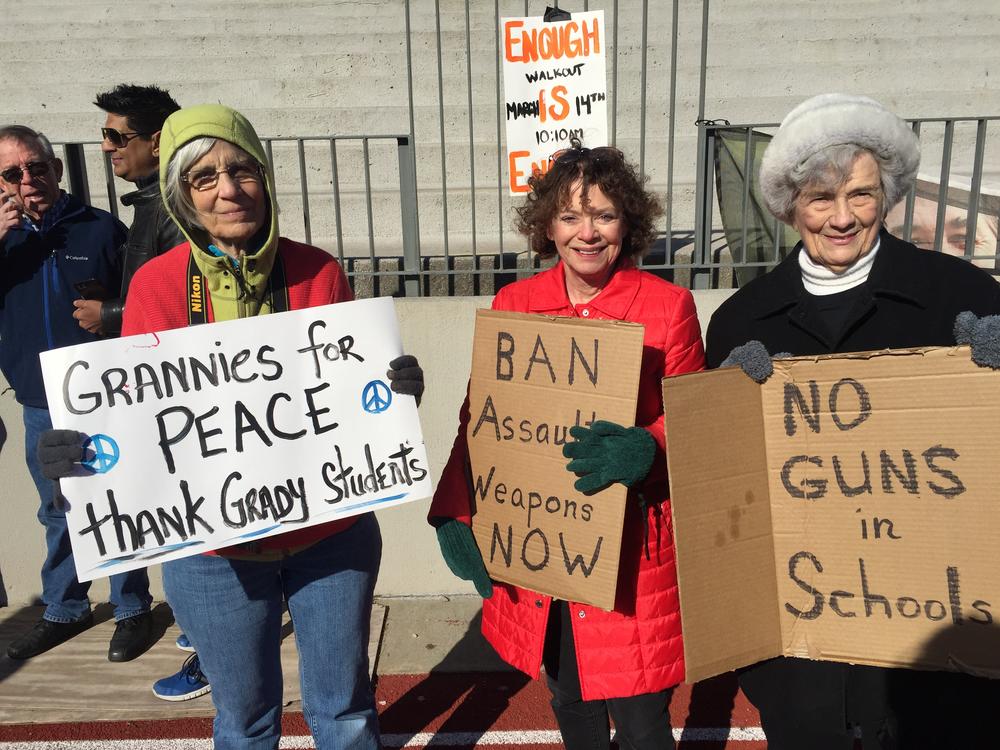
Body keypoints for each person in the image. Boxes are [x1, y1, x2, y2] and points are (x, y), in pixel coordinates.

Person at [46, 103, 422, 749]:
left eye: (241, 169)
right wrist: (80, 449)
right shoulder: (156, 286)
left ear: (264, 177)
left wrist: (392, 389)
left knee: (347, 716)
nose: (228, 189)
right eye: (204, 178)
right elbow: (136, 419)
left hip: (329, 541)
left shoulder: (318, 270)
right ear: (183, 199)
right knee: (244, 724)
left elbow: (350, 395)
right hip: (211, 556)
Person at [705, 93, 1000, 749]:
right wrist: (727, 407)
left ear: (887, 196)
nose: (841, 218)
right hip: (807, 659)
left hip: (939, 664)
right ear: (788, 205)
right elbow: (724, 499)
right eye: (820, 199)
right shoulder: (740, 322)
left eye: (861, 196)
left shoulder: (964, 295)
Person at [429, 143, 705, 749]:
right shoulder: (514, 304)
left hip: (634, 551)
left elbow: (696, 421)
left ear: (627, 224)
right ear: (547, 225)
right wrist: (454, 511)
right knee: (571, 699)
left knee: (641, 717)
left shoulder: (669, 307)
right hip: (542, 545)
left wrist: (648, 449)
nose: (588, 233)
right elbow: (481, 417)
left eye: (604, 215)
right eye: (571, 216)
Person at [0, 125, 155, 662]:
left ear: (57, 169)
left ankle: (132, 607)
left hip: (107, 395)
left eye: (37, 167)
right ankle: (65, 608)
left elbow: (137, 306)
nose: (28, 180)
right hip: (40, 401)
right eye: (12, 173)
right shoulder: (3, 239)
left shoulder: (101, 229)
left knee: (118, 499)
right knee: (57, 508)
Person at [69, 83, 184, 337]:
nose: (106, 146)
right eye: (105, 134)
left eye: (116, 137)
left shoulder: (177, 206)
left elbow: (183, 293)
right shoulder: (153, 200)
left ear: (157, 143)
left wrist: (108, 315)